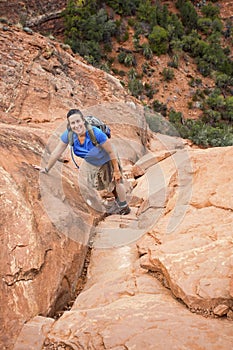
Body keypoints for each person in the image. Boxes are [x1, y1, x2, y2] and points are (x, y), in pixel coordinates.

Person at [34, 109, 130, 215]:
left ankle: (124, 206)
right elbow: (57, 152)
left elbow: (111, 151)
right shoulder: (69, 135)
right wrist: (46, 169)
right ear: (69, 125)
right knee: (104, 183)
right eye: (73, 123)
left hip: (107, 157)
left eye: (78, 121)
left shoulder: (95, 133)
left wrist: (116, 170)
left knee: (116, 180)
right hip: (94, 162)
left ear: (83, 121)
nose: (76, 125)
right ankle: (115, 200)